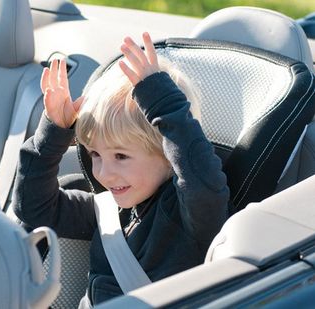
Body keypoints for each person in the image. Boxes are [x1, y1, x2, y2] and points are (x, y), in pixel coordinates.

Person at [12, 32, 229, 307]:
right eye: (95, 154)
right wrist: (54, 132)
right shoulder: (105, 211)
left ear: (168, 152)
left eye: (121, 156)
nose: (103, 173)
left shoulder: (191, 219)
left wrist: (165, 105)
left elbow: (202, 183)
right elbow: (33, 208)